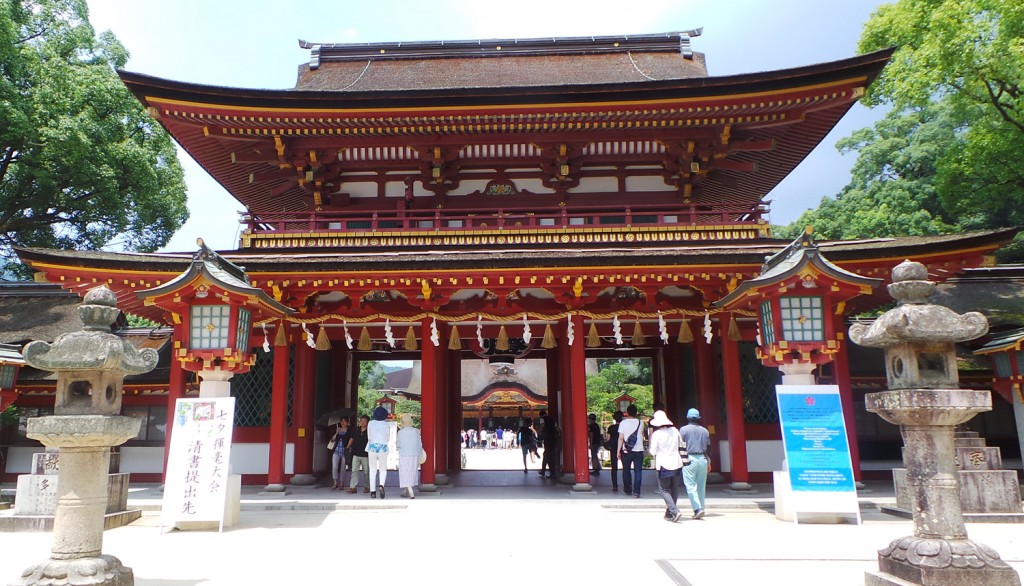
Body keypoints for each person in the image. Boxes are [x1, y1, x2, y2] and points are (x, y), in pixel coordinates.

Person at [648, 410, 687, 522]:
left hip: (663, 464)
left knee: (664, 489)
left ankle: (674, 511)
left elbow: (653, 451)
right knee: (674, 488)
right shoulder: (675, 431)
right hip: (676, 462)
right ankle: (670, 513)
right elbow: (681, 443)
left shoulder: (657, 434)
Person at [679, 408, 711, 519]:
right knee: (701, 486)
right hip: (702, 458)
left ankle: (698, 508)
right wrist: (709, 461)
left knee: (690, 485)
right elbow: (708, 448)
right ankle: (701, 508)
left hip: (689, 458)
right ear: (699, 418)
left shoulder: (683, 430)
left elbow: (680, 446)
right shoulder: (704, 431)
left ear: (687, 417)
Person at [617, 404, 645, 497]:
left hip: (626, 450)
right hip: (639, 449)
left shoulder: (623, 423)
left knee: (626, 470)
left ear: (627, 413)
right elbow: (641, 435)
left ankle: (627, 490)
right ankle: (637, 491)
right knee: (638, 471)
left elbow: (621, 438)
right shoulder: (641, 422)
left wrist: (618, 451)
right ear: (636, 412)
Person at [396, 413, 422, 499]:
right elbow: (419, 443)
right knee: (412, 471)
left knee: (405, 472)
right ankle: (405, 490)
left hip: (404, 454)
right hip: (415, 453)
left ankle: (410, 491)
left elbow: (398, 444)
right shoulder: (416, 431)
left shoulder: (400, 432)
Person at [367, 406, 390, 499]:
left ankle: (372, 492)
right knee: (383, 469)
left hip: (372, 447)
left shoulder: (370, 423)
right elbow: (388, 438)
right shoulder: (386, 425)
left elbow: (368, 437)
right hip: (383, 448)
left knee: (372, 470)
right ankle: (381, 485)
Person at [346, 415, 370, 494]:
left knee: (366, 472)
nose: (362, 422)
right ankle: (353, 487)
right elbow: (351, 438)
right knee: (354, 470)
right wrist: (347, 447)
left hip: (365, 454)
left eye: (364, 421)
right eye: (361, 421)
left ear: (367, 422)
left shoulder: (369, 431)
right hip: (356, 453)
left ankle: (367, 486)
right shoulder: (356, 430)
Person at [330, 417, 351, 490]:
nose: (343, 423)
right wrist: (336, 433)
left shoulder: (349, 430)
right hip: (336, 450)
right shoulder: (338, 429)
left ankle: (341, 483)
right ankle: (335, 482)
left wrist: (348, 448)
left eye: (345, 421)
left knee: (343, 468)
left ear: (347, 422)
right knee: (334, 466)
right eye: (341, 421)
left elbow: (351, 440)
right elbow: (332, 440)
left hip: (344, 451)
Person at [538, 410, 559, 479]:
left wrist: (539, 432)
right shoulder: (552, 420)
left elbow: (542, 425)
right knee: (548, 454)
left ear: (540, 415)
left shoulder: (542, 419)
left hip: (547, 439)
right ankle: (543, 470)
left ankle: (552, 472)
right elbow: (557, 429)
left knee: (548, 455)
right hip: (553, 439)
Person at [606, 411, 622, 492]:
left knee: (614, 467)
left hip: (613, 448)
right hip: (622, 447)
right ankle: (628, 484)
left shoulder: (611, 428)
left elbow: (608, 439)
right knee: (626, 467)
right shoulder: (623, 427)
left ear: (614, 418)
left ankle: (615, 486)